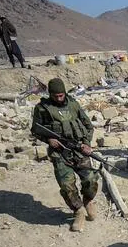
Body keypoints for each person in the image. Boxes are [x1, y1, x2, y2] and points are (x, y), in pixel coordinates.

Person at [30, 79, 99, 232]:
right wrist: (48, 139)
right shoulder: (42, 109)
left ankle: (88, 201)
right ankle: (79, 211)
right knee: (67, 186)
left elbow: (88, 125)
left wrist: (86, 143)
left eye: (61, 95)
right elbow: (35, 130)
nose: (59, 99)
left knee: (91, 179)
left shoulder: (73, 104)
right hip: (59, 153)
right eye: (56, 96)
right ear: (50, 94)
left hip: (78, 150)